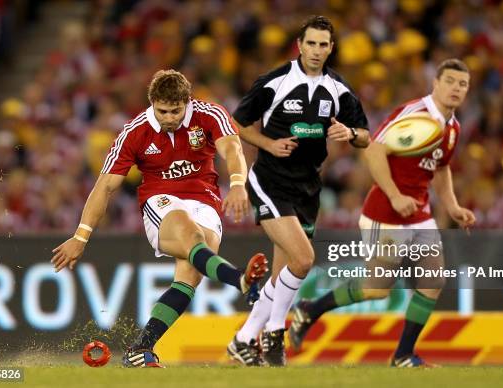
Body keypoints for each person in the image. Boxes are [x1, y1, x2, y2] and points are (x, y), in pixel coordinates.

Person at [50, 69, 268, 368]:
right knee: (191, 236)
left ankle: (140, 349)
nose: (168, 117)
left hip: (205, 200)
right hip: (161, 202)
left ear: (187, 102)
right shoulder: (135, 132)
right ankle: (239, 279)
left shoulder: (209, 114)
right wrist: (80, 236)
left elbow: (231, 148)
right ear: (152, 102)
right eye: (162, 110)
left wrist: (239, 183)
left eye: (175, 111)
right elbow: (105, 186)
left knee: (190, 275)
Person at [288, 58, 476, 367]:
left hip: (419, 212)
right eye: (451, 81)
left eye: (463, 84)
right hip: (386, 210)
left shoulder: (453, 127)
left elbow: (441, 168)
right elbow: (374, 150)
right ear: (436, 83)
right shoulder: (414, 113)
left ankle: (403, 355)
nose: (456, 88)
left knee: (433, 280)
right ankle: (311, 309)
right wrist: (395, 194)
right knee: (376, 289)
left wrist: (452, 206)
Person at [226, 16, 370, 366]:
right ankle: (275, 335)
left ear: (331, 48)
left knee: (283, 272)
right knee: (304, 260)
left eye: (324, 45)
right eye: (311, 43)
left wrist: (349, 135)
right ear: (299, 45)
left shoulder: (339, 90)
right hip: (270, 179)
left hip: (308, 185)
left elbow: (366, 135)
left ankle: (243, 340)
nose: (317, 51)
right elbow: (236, 122)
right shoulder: (275, 82)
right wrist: (269, 144)